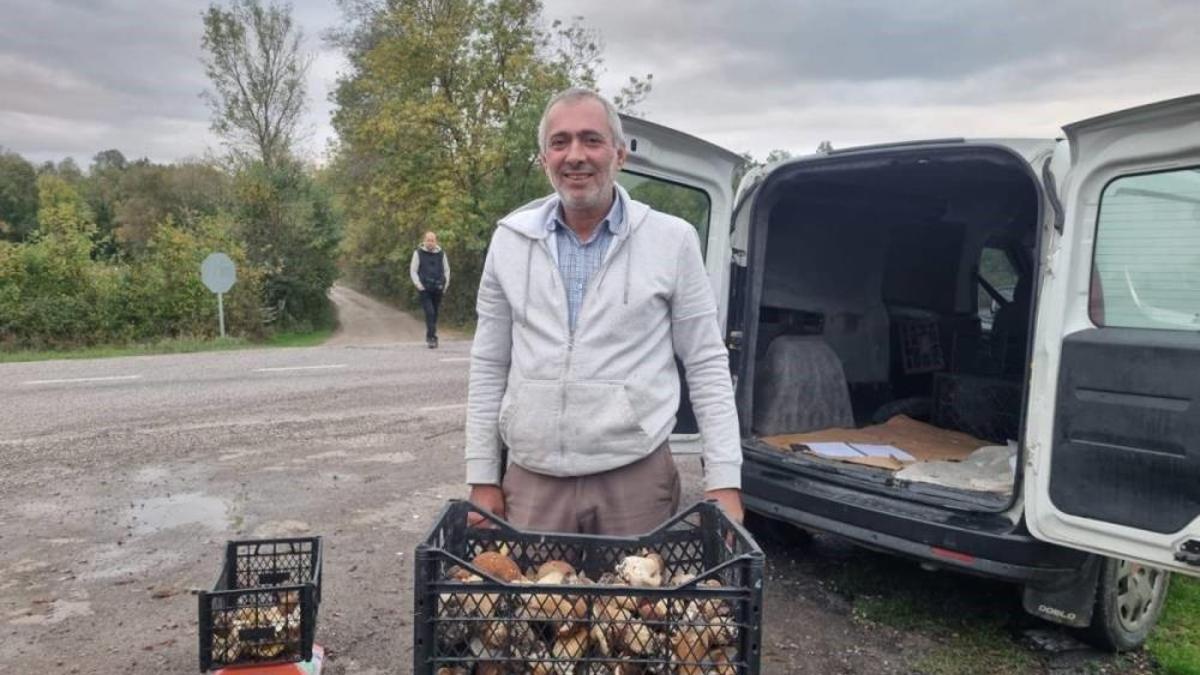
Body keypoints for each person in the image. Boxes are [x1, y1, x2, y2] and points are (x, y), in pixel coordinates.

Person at [464, 88, 743, 536]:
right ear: (544, 159)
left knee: (637, 585)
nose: (575, 155)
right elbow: (489, 363)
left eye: (591, 140)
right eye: (560, 142)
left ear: (619, 154)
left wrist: (725, 480)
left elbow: (706, 362)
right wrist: (482, 475)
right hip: (534, 480)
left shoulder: (672, 240)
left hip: (636, 478)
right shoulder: (510, 240)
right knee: (535, 586)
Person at [410, 231, 450, 348]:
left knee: (435, 314)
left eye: (432, 240)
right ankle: (432, 338)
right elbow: (413, 270)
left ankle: (431, 335)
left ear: (435, 241)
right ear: (424, 241)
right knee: (430, 312)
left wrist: (445, 285)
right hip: (425, 289)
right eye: (428, 240)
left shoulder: (441, 254)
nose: (430, 242)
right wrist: (419, 285)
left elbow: (447, 270)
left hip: (438, 288)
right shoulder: (418, 253)